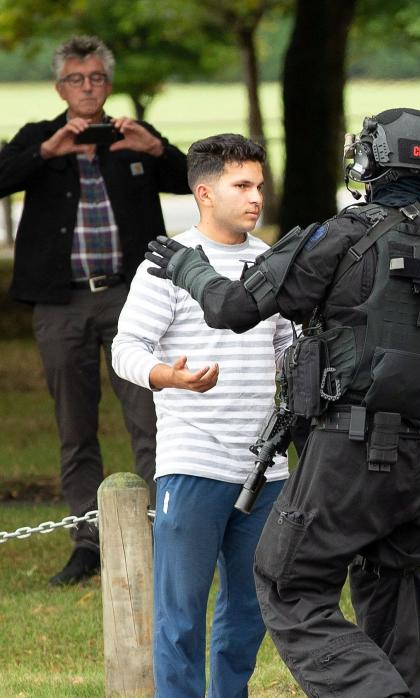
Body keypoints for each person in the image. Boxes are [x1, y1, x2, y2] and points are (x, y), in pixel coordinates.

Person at [143, 108, 420, 698]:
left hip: (348, 451)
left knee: (287, 585)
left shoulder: (343, 234)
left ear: (371, 160)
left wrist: (187, 267)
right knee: (391, 581)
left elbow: (235, 309)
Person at [0, 35, 190, 586]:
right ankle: (89, 543)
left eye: (97, 79)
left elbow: (192, 182)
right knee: (75, 427)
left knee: (152, 419)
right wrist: (46, 153)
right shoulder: (41, 137)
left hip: (136, 298)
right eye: (76, 80)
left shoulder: (133, 138)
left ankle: (162, 536)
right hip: (61, 303)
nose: (87, 89)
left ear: (109, 84)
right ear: (61, 87)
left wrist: (155, 150)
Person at [111, 133, 293, 696]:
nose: (255, 198)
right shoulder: (167, 265)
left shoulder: (272, 263)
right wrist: (170, 377)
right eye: (242, 186)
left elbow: (289, 347)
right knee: (181, 615)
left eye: (259, 186)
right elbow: (126, 348)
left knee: (248, 613)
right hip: (193, 464)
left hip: (268, 470)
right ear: (204, 192)